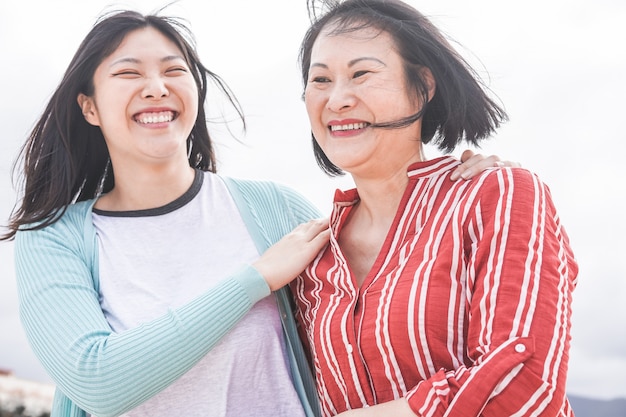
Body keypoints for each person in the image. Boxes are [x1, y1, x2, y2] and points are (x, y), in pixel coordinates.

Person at [0, 8, 513, 417]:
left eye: (174, 71)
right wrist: (257, 279)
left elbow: (376, 318)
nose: (156, 86)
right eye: (128, 73)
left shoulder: (274, 210)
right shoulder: (55, 238)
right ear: (89, 107)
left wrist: (445, 186)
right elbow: (100, 383)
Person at [291, 0, 579, 416]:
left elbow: (523, 385)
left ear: (423, 86)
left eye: (361, 74)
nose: (336, 100)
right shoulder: (311, 256)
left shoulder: (497, 194)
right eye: (320, 80)